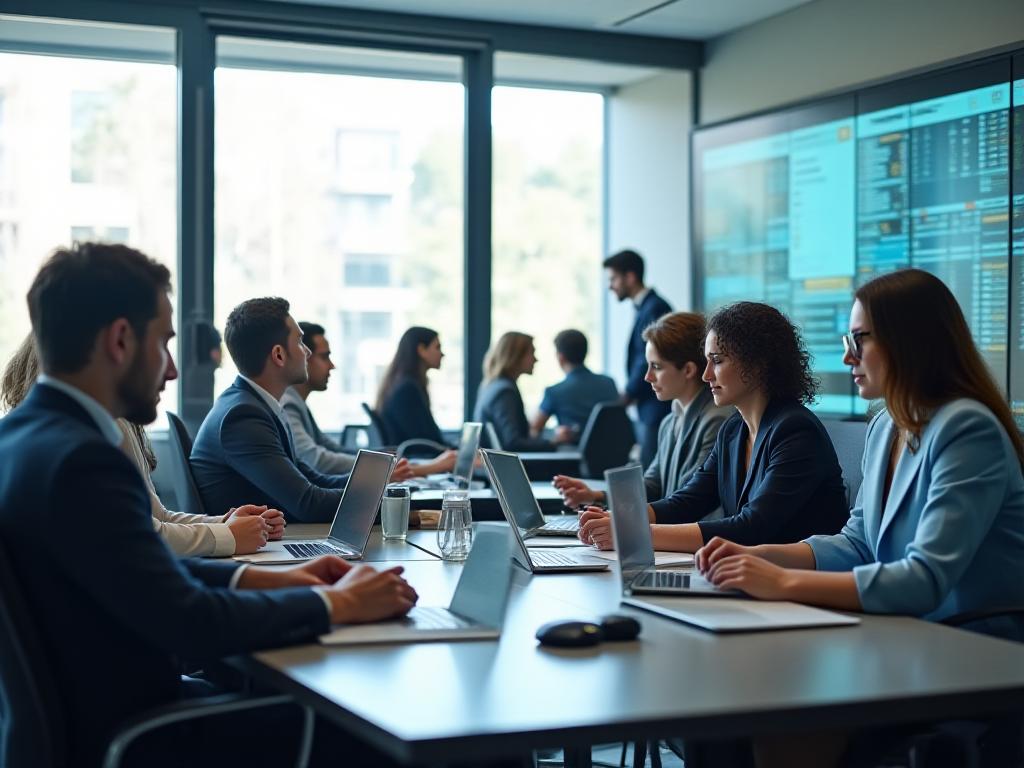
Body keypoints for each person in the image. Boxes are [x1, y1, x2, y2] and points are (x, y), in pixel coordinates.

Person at [0, 242, 417, 767]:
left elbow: (146, 577)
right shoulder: (83, 460)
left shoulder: (21, 439)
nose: (173, 371)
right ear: (121, 341)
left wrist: (277, 578)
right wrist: (339, 604)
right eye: (165, 344)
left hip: (88, 726)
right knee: (385, 733)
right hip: (140, 736)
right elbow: (188, 620)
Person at [702, 275, 1024, 766]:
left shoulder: (966, 428)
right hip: (904, 633)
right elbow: (857, 543)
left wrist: (783, 581)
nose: (848, 356)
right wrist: (757, 555)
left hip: (973, 646)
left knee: (772, 717)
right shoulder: (886, 424)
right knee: (733, 710)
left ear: (909, 339)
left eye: (859, 339)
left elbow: (924, 580)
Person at [579, 301, 848, 553]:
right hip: (748, 578)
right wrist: (619, 518)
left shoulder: (796, 430)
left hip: (799, 587)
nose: (706, 374)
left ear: (757, 365)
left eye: (717, 360)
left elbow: (752, 527)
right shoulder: (733, 429)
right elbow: (687, 501)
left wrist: (632, 532)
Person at [0, 333, 283, 557]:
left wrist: (225, 523)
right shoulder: (90, 439)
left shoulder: (34, 433)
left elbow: (155, 516)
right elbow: (143, 536)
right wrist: (229, 536)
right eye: (162, 346)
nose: (172, 370)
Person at [190, 297, 407, 523]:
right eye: (301, 342)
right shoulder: (243, 418)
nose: (308, 353)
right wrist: (400, 506)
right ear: (279, 355)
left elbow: (314, 479)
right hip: (256, 550)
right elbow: (309, 504)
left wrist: (376, 482)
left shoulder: (257, 405)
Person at [554, 312, 732, 509]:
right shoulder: (670, 421)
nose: (647, 377)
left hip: (696, 537)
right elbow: (653, 485)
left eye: (656, 366)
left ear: (688, 370)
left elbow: (689, 500)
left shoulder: (717, 421)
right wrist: (595, 495)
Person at [284, 322, 453, 475]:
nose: (332, 365)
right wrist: (382, 465)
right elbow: (315, 460)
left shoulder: (298, 403)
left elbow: (330, 448)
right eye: (324, 356)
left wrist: (379, 457)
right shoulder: (288, 404)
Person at [604, 249, 673, 467]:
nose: (610, 286)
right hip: (649, 404)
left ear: (630, 277)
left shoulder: (655, 307)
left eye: (613, 278)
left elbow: (648, 357)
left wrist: (629, 393)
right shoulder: (646, 307)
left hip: (655, 405)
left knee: (652, 469)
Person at [473, 331, 572, 451]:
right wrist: (554, 442)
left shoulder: (492, 386)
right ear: (516, 356)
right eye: (532, 353)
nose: (536, 359)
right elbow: (513, 443)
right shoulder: (504, 392)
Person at [529, 329, 618, 443]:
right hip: (612, 454)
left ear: (560, 357)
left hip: (573, 456)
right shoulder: (609, 383)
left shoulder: (555, 392)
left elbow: (534, 429)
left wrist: (554, 433)